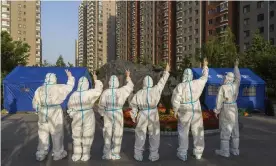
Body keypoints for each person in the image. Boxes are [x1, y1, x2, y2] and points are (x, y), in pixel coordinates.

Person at [130, 64, 170, 162]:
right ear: (151, 82)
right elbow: (162, 82)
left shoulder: (139, 93)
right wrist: (166, 72)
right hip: (153, 113)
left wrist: (133, 115)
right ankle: (153, 155)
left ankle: (138, 154)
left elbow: (133, 105)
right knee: (154, 134)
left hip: (142, 114)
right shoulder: (155, 89)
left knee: (140, 134)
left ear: (143, 83)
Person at [32, 70, 75, 161]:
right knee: (57, 133)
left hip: (43, 111)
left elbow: (35, 103)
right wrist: (70, 77)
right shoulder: (58, 87)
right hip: (55, 111)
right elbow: (69, 87)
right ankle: (57, 153)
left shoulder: (40, 89)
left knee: (43, 133)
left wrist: (38, 111)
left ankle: (41, 153)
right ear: (54, 79)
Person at [171, 58, 209, 161]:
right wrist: (205, 66)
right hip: (195, 108)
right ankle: (198, 153)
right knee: (198, 130)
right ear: (191, 76)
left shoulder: (180, 86)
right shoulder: (197, 83)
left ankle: (183, 153)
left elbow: (176, 100)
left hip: (184, 110)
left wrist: (175, 110)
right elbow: (205, 77)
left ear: (183, 76)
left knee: (183, 132)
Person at [67, 72, 103, 162]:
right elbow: (98, 90)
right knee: (88, 134)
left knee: (76, 135)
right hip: (88, 114)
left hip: (77, 115)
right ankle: (86, 154)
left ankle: (77, 154)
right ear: (87, 84)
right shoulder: (89, 93)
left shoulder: (73, 95)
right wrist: (95, 79)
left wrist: (72, 114)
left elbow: (69, 107)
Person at [98, 70, 134, 160]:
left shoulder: (105, 92)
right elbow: (130, 86)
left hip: (108, 113)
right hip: (118, 113)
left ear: (109, 82)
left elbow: (101, 105)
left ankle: (106, 153)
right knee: (117, 133)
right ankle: (115, 153)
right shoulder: (121, 91)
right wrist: (128, 76)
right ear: (117, 82)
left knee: (107, 133)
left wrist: (102, 114)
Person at [214, 59, 240, 157]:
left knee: (225, 128)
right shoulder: (235, 85)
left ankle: (225, 151)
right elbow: (238, 78)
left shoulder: (223, 87)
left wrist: (217, 110)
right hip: (234, 106)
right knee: (235, 128)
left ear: (227, 78)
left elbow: (219, 100)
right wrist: (236, 66)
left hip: (226, 107)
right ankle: (235, 150)